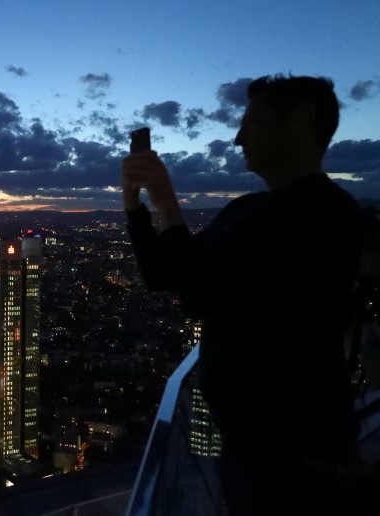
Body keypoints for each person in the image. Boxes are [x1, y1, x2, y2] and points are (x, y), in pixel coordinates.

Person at [123, 75, 366, 515]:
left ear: (301, 120)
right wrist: (134, 206)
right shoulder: (245, 210)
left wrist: (166, 203)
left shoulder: (328, 216)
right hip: (246, 448)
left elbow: (200, 294)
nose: (237, 138)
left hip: (300, 456)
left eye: (250, 122)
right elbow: (164, 274)